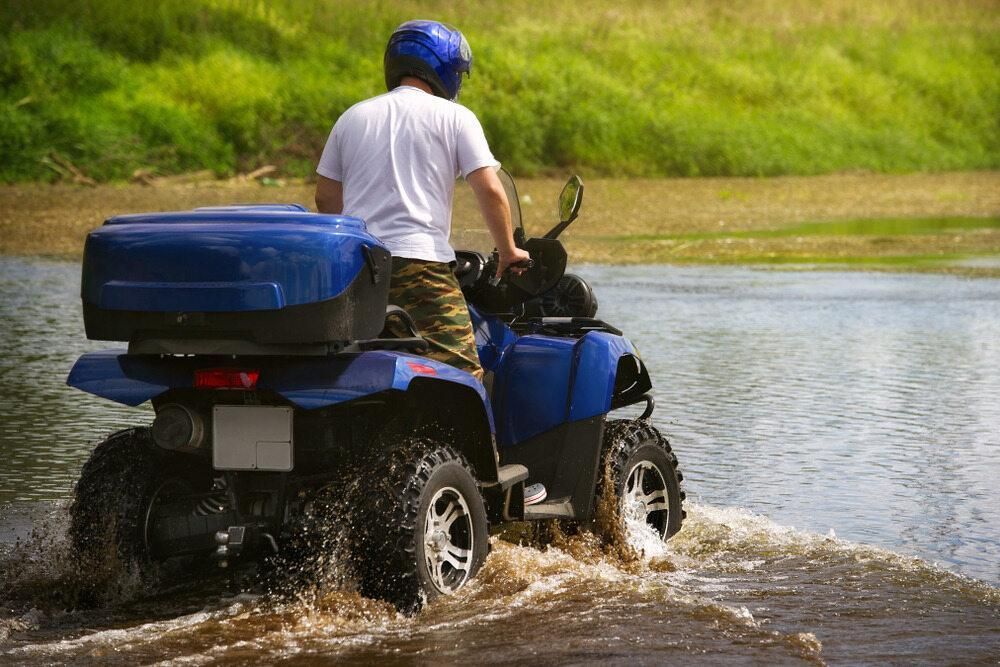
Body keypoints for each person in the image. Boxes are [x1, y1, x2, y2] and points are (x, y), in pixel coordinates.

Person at [315, 20, 530, 381]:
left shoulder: (353, 116)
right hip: (421, 268)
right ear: (445, 69)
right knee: (463, 377)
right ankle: (464, 439)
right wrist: (508, 251)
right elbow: (490, 189)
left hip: (356, 271)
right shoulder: (455, 117)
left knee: (364, 371)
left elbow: (325, 196)